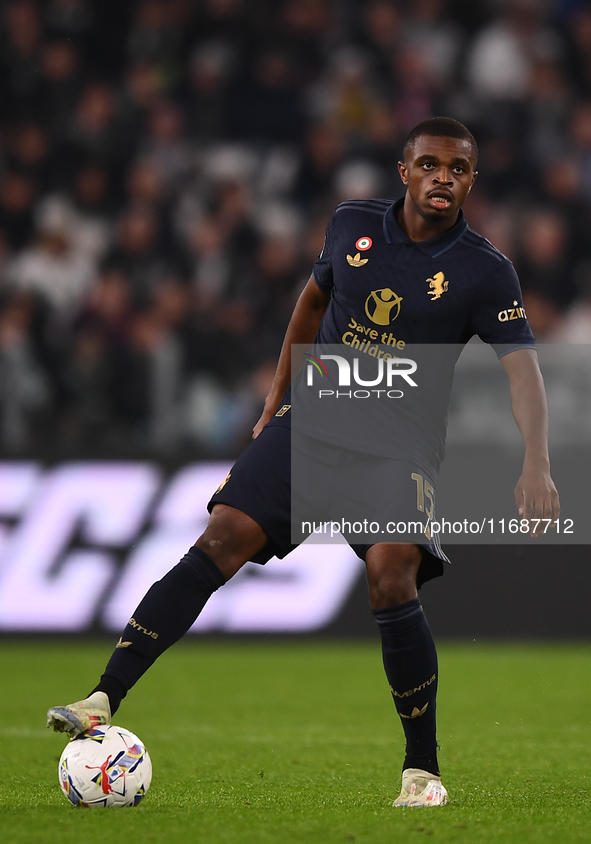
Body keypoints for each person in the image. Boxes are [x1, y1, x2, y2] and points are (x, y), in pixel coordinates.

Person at [47, 117, 559, 808]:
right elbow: (312, 300)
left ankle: (421, 769)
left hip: (398, 441)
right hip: (314, 419)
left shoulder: (483, 269)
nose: (443, 177)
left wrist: (537, 463)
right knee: (221, 537)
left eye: (457, 168)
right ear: (403, 170)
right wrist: (276, 396)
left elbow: (522, 370)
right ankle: (103, 694)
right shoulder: (350, 224)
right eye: (430, 164)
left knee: (390, 574)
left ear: (470, 180)